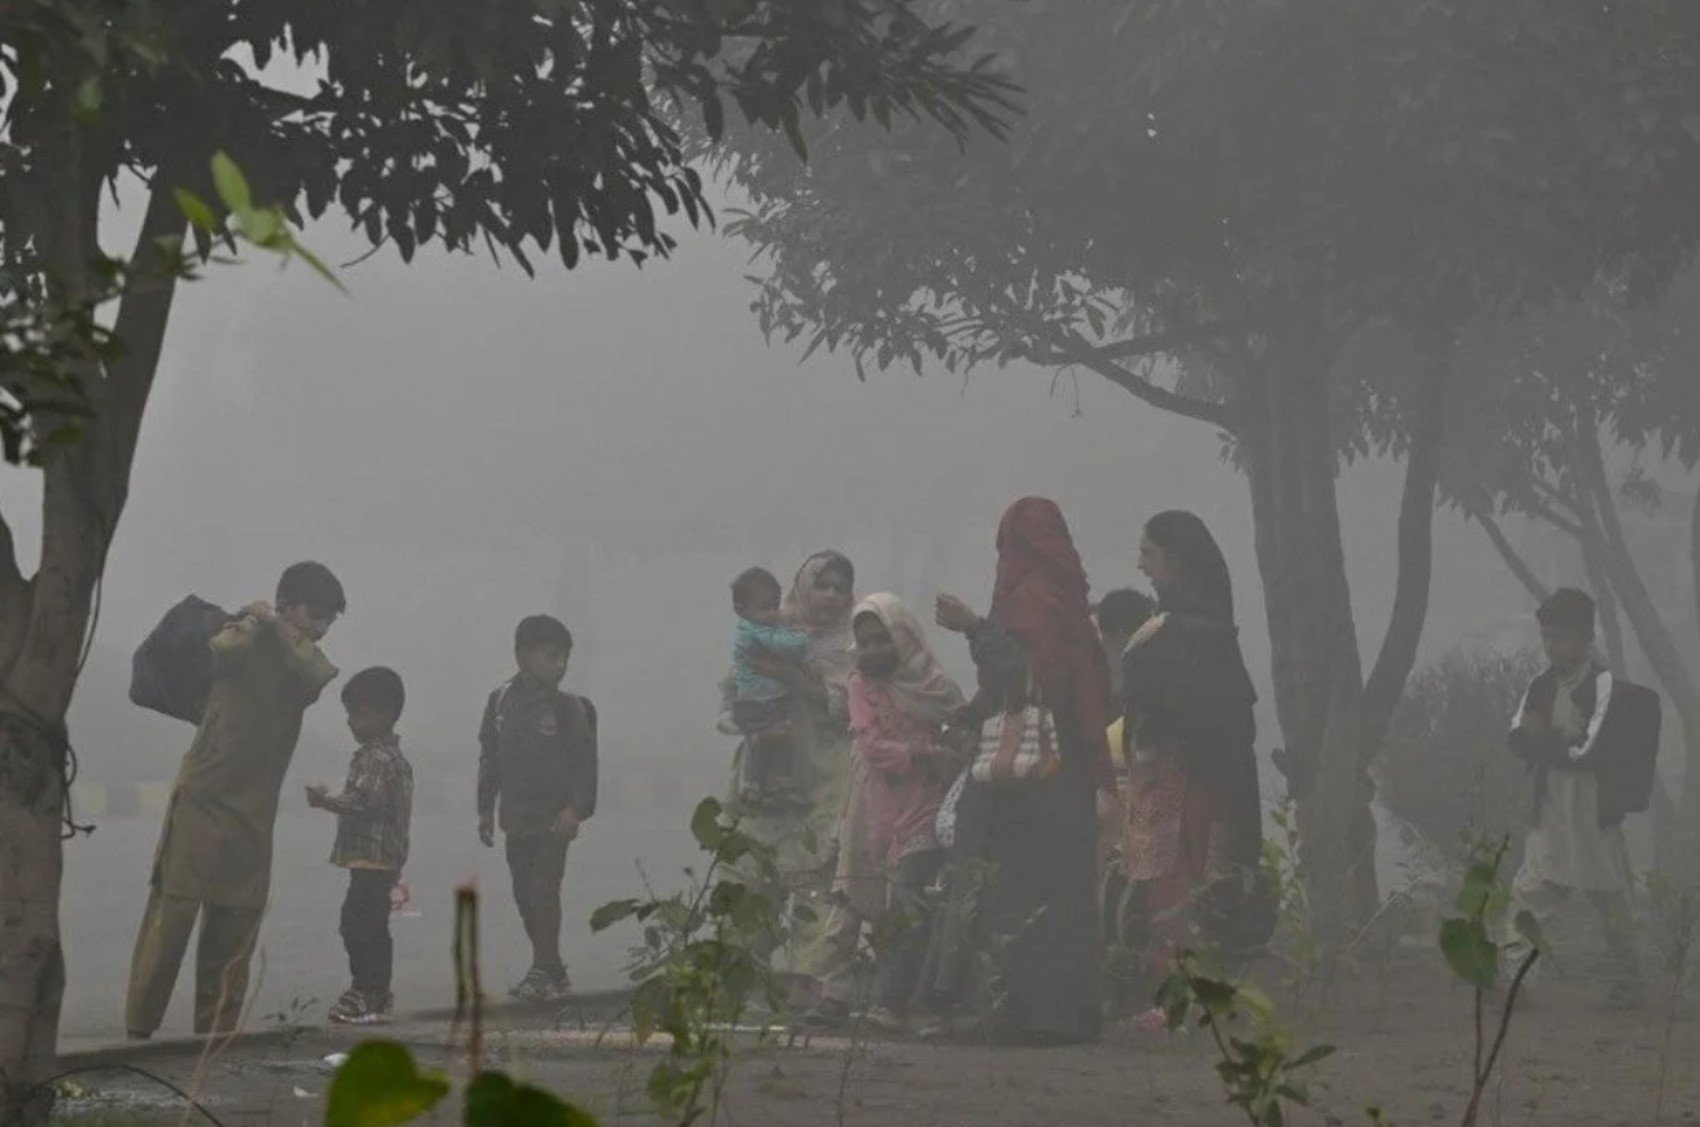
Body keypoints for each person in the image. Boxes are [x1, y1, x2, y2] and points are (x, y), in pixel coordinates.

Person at [126, 562, 344, 1039]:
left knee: (235, 925)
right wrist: (252, 620)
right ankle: (138, 1030)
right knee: (173, 917)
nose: (322, 626)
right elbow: (222, 652)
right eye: (315, 613)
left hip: (254, 814)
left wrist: (281, 626)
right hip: (202, 799)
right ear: (285, 602)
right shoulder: (244, 637)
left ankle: (216, 1037)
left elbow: (319, 673)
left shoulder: (301, 662)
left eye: (330, 619)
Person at [930, 497, 1115, 1046]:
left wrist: (973, 627)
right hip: (1068, 772)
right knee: (1062, 891)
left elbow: (1021, 674)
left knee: (1012, 886)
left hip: (1027, 782)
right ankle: (1063, 1012)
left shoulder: (1029, 600)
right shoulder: (1070, 604)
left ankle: (1020, 1008)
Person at [1121, 511, 1270, 1029]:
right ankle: (1196, 994)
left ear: (1179, 561)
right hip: (1206, 774)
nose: (1140, 564)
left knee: (1180, 878)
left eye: (1150, 553)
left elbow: (1156, 700)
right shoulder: (1205, 630)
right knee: (1193, 876)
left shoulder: (1181, 634)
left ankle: (1181, 998)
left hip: (1188, 778)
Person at [1505, 587, 1644, 1008]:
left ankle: (1631, 977)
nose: (1552, 646)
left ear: (1585, 636)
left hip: (1594, 812)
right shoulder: (1542, 686)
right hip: (1551, 810)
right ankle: (1517, 982)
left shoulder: (1604, 689)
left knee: (1613, 901)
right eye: (1546, 637)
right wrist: (1537, 740)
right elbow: (1516, 737)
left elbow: (1592, 752)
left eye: (1560, 637)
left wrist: (1547, 743)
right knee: (1530, 893)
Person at [843, 594, 966, 1031]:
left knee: (917, 901)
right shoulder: (861, 686)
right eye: (865, 642)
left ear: (905, 637)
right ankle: (909, 1002)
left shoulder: (934, 684)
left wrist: (946, 754)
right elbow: (873, 748)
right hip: (885, 810)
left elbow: (962, 729)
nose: (873, 651)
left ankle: (899, 1004)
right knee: (896, 905)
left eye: (882, 639)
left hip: (932, 808)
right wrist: (925, 753)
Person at [477, 615, 599, 1003]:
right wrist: (484, 810)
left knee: (544, 890)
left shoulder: (570, 708)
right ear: (522, 656)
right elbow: (489, 758)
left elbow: (585, 763)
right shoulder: (500, 701)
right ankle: (552, 967)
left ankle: (542, 970)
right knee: (523, 894)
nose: (560, 665)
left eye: (564, 657)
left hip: (553, 820)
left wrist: (576, 810)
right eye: (551, 656)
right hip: (516, 819)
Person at [306, 666, 413, 1025]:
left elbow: (362, 802)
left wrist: (324, 801)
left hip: (374, 859)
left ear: (383, 715)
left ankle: (368, 991)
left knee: (359, 924)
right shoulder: (386, 757)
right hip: (377, 859)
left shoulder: (377, 759)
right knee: (368, 923)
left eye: (358, 714)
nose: (351, 722)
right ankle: (374, 991)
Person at [728, 566, 812, 806]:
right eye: (766, 607)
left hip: (770, 701)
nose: (774, 613)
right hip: (758, 703)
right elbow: (784, 645)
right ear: (741, 610)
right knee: (765, 740)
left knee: (782, 741)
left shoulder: (761, 625)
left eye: (776, 606)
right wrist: (803, 638)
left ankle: (778, 786)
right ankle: (754, 784)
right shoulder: (753, 631)